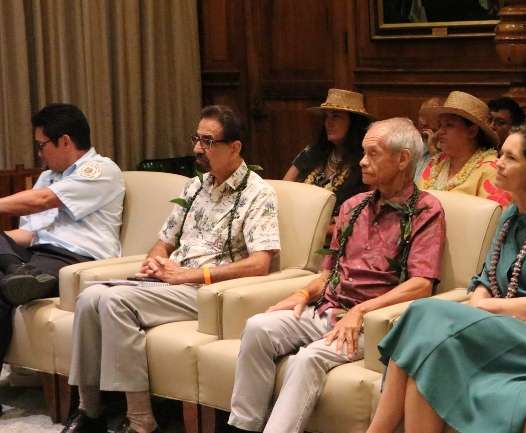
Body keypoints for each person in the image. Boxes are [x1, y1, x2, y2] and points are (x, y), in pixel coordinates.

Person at [63, 105, 281, 433]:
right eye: (197, 139)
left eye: (207, 142)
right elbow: (163, 241)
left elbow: (261, 262)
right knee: (89, 296)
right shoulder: (194, 187)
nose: (197, 148)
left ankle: (140, 421)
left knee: (112, 301)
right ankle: (89, 411)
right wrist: (155, 259)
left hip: (206, 291)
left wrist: (192, 275)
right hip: (169, 282)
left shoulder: (258, 193)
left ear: (234, 147)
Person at [367, 125, 526, 433]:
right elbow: (485, 280)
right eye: (500, 153)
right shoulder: (509, 215)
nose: (498, 162)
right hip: (507, 324)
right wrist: (475, 308)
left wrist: (480, 312)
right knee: (429, 347)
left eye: (510, 157)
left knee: (424, 312)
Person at [226, 118, 445, 433]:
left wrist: (360, 311)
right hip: (327, 309)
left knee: (307, 359)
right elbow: (329, 272)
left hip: (372, 322)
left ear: (402, 159)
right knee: (258, 327)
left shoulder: (426, 210)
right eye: (362, 153)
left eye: (373, 154)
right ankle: (244, 427)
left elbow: (422, 284)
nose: (362, 162)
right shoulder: (353, 206)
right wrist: (302, 294)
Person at [0, 103, 124, 372]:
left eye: (42, 145)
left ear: (65, 141)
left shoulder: (100, 169)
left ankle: (19, 275)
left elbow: (41, 202)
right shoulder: (47, 176)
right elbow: (28, 233)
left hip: (76, 259)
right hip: (37, 255)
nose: (39, 153)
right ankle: (17, 271)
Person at [283, 88, 371, 216]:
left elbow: (365, 213)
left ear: (353, 123)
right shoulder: (312, 152)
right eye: (327, 117)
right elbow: (283, 188)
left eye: (336, 117)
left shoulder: (365, 160)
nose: (328, 123)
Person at [417, 91, 510, 205]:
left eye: (449, 125)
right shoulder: (436, 162)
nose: (440, 132)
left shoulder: (492, 169)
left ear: (472, 131)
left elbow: (493, 219)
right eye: (440, 125)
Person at [414, 96, 444, 181]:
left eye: (429, 117)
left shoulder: (448, 146)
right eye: (421, 116)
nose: (423, 122)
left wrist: (433, 150)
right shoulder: (412, 143)